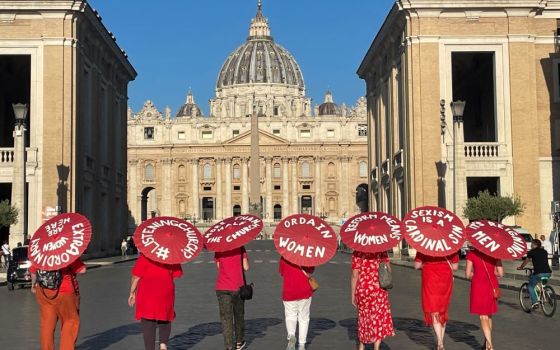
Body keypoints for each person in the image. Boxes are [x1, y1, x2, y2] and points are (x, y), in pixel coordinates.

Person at [128, 254, 183, 350]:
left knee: (148, 321)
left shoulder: (146, 255)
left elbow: (136, 276)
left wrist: (132, 292)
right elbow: (176, 274)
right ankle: (163, 344)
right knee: (165, 316)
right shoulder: (172, 255)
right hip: (165, 290)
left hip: (147, 292)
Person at [30, 259, 86, 350]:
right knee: (69, 322)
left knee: (47, 324)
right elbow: (82, 270)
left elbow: (33, 271)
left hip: (44, 291)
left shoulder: (42, 253)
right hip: (65, 291)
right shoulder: (66, 253)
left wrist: (33, 285)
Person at [414, 252, 459, 350]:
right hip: (445, 280)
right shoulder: (450, 246)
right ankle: (440, 342)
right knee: (442, 310)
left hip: (430, 279)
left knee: (434, 309)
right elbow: (455, 267)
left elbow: (417, 266)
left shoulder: (424, 246)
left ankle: (440, 342)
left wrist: (427, 264)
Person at [351, 251, 395, 350]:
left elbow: (354, 275)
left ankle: (362, 345)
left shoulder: (357, 252)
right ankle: (376, 347)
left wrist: (353, 294)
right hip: (378, 289)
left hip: (363, 289)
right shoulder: (382, 250)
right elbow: (388, 270)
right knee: (377, 319)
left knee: (363, 318)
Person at [465, 248, 504, 350]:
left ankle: (490, 346)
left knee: (483, 317)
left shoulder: (472, 254)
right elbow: (501, 273)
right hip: (492, 286)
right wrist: (492, 271)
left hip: (479, 286)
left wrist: (476, 273)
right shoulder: (495, 254)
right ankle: (486, 344)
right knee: (489, 315)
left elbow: (467, 274)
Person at [214, 246, 249, 350]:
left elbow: (219, 267)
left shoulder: (219, 248)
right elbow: (246, 267)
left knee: (226, 319)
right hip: (237, 286)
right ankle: (239, 342)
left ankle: (229, 346)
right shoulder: (240, 247)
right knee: (239, 315)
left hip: (222, 287)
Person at [279, 257, 315, 350]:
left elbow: (282, 272)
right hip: (304, 289)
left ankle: (291, 336)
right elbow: (311, 270)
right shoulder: (307, 255)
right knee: (304, 318)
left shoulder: (285, 256)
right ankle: (302, 345)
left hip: (289, 289)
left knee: (290, 316)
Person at [517, 239, 552, 308]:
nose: (531, 245)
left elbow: (526, 261)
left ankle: (535, 302)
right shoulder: (544, 251)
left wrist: (521, 267)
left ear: (535, 244)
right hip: (548, 272)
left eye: (532, 244)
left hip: (539, 273)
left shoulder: (531, 252)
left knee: (530, 286)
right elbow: (541, 261)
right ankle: (545, 292)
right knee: (543, 284)